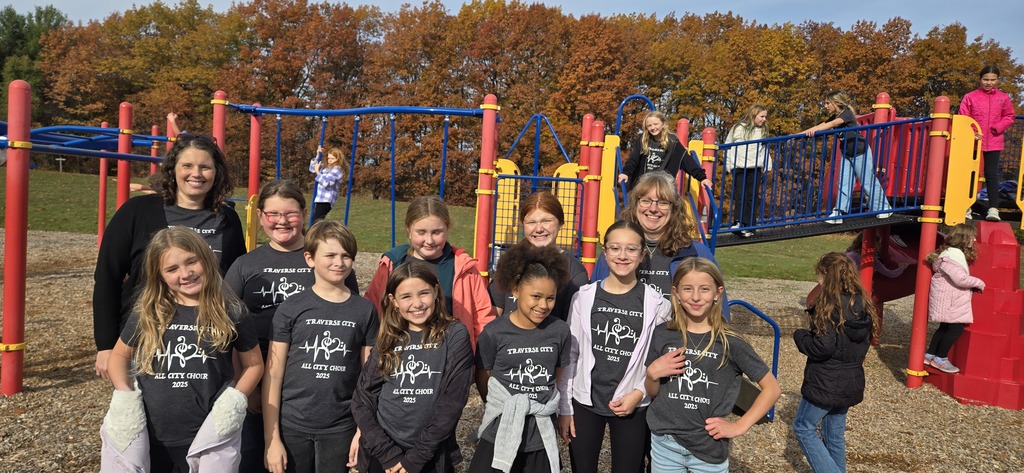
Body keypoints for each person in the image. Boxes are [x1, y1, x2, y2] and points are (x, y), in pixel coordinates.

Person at [101, 227, 263, 472]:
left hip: (209, 434)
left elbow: (254, 364)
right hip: (151, 434)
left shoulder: (231, 310)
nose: (185, 274)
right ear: (159, 275)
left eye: (191, 262)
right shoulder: (149, 312)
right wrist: (124, 395)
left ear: (206, 259)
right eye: (172, 269)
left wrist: (235, 400)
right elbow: (119, 356)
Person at [224, 180, 358, 473]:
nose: (281, 221)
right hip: (259, 371)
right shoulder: (245, 266)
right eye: (272, 214)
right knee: (257, 458)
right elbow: (228, 330)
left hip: (313, 378)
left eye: (290, 213)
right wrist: (244, 386)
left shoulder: (329, 259)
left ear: (304, 213)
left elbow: (350, 323)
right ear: (260, 216)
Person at [93, 134, 246, 380]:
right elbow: (107, 278)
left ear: (216, 172)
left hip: (207, 343)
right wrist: (106, 345)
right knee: (135, 404)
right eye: (187, 165)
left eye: (205, 167)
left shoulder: (227, 219)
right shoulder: (137, 212)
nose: (196, 174)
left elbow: (234, 283)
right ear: (173, 169)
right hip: (144, 338)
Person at [262, 221, 379, 473]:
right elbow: (273, 373)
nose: (339, 262)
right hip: (291, 425)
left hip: (341, 427)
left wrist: (362, 431)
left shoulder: (365, 310)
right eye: (330, 255)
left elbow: (368, 378)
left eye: (346, 255)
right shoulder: (291, 307)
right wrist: (271, 440)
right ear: (310, 258)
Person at [644, 257, 780, 473]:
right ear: (676, 292)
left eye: (704, 289)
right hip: (665, 444)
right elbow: (653, 392)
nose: (696, 297)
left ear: (718, 293)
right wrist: (651, 375)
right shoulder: (663, 334)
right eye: (687, 288)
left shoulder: (730, 342)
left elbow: (772, 389)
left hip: (709, 447)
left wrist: (739, 426)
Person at [557, 220, 672, 473]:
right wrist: (565, 407)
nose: (622, 255)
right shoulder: (583, 297)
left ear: (642, 254)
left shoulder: (658, 305)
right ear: (605, 252)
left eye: (631, 249)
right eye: (615, 248)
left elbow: (657, 361)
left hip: (633, 403)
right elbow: (570, 355)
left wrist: (639, 393)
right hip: (585, 402)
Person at [352, 261, 474, 473]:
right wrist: (387, 454)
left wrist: (416, 459)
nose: (417, 303)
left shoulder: (454, 335)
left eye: (424, 293)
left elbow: (452, 403)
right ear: (394, 301)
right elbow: (362, 399)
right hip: (384, 453)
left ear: (436, 291)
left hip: (429, 452)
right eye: (406, 296)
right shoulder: (388, 337)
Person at [468, 242, 570, 473]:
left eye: (550, 298)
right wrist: (503, 406)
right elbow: (483, 377)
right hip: (500, 427)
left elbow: (557, 375)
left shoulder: (560, 331)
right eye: (536, 296)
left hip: (540, 432)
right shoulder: (493, 332)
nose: (543, 305)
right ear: (515, 291)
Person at [592, 171, 730, 319]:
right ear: (635, 204)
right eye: (646, 200)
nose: (653, 208)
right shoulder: (615, 252)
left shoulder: (695, 253)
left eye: (663, 202)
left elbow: (719, 311)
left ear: (674, 208)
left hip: (675, 332)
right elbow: (593, 304)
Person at [366, 195, 494, 348]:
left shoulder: (464, 267)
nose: (429, 240)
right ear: (408, 230)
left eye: (436, 232)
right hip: (400, 351)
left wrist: (479, 356)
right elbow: (372, 311)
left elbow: (482, 318)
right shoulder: (391, 265)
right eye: (421, 232)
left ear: (447, 229)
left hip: (451, 353)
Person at [792, 252, 879, 473]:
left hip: (826, 380)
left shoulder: (828, 306)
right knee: (833, 434)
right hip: (850, 379)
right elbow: (863, 342)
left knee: (803, 426)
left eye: (820, 275)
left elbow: (823, 347)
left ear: (826, 275)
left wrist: (800, 336)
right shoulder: (863, 303)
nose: (818, 280)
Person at [489, 192, 589, 321]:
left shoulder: (575, 272)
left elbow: (575, 324)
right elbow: (493, 315)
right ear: (523, 224)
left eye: (546, 221)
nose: (539, 229)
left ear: (560, 223)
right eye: (531, 222)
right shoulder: (510, 261)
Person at [801, 91, 893, 224]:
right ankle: (838, 213)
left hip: (860, 151)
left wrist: (815, 131)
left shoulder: (846, 114)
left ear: (836, 102)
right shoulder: (835, 116)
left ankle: (884, 208)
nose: (825, 106)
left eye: (827, 103)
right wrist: (799, 135)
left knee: (867, 182)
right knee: (843, 183)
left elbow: (831, 125)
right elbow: (820, 125)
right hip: (847, 153)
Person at [959, 65, 1017, 222]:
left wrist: (997, 128)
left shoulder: (1003, 98)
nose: (989, 83)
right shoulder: (970, 97)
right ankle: (966, 206)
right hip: (973, 142)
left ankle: (993, 209)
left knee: (991, 174)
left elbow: (1009, 116)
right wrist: (972, 132)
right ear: (980, 79)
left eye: (992, 80)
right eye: (986, 79)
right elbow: (964, 117)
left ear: (997, 80)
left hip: (994, 141)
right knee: (970, 174)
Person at [925, 224, 985, 374]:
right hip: (951, 301)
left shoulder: (949, 255)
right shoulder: (952, 257)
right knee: (956, 329)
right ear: (963, 239)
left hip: (948, 299)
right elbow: (960, 279)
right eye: (972, 237)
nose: (974, 240)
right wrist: (979, 283)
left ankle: (930, 355)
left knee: (945, 327)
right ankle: (940, 358)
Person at [618, 111, 712, 192]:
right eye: (649, 125)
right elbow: (633, 159)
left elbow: (687, 161)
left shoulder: (673, 142)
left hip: (663, 185)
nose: (653, 127)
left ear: (663, 124)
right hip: (643, 183)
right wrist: (626, 173)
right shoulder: (643, 139)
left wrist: (702, 178)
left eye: (656, 124)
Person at [724, 105, 772, 238]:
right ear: (753, 115)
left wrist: (767, 165)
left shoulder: (762, 131)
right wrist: (728, 164)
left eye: (765, 117)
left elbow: (764, 150)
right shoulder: (738, 128)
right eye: (762, 116)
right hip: (739, 166)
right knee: (741, 194)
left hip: (754, 167)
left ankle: (749, 225)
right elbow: (728, 145)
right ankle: (738, 221)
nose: (764, 119)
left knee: (752, 196)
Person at [309, 145, 347, 222]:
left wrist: (318, 172)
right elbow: (312, 169)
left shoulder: (337, 169)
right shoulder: (326, 168)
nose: (330, 160)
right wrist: (317, 156)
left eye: (332, 158)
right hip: (320, 198)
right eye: (329, 158)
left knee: (316, 221)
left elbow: (327, 182)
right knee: (316, 221)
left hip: (326, 199)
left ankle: (316, 230)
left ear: (338, 159)